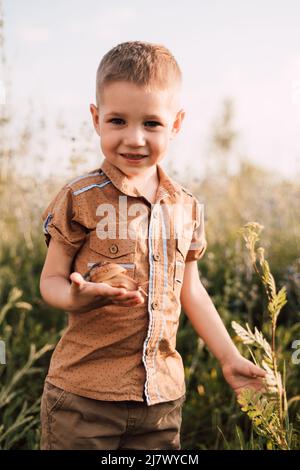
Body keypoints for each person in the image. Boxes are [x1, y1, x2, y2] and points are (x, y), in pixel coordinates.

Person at [39, 40, 265, 450]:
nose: (135, 139)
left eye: (152, 124)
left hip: (160, 403)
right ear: (96, 119)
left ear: (176, 124)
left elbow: (191, 290)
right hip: (83, 401)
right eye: (118, 121)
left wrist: (230, 359)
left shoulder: (187, 207)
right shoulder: (80, 197)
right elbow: (51, 280)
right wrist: (77, 297)